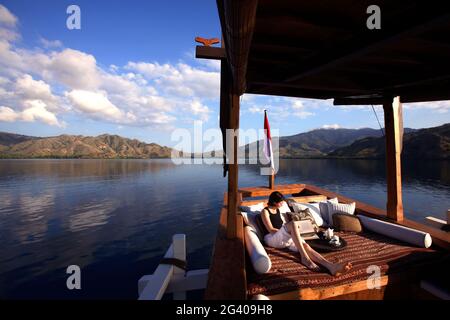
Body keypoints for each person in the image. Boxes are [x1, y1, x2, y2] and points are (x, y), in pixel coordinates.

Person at [261, 191, 352, 276]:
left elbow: (283, 226)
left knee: (306, 246)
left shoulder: (277, 210)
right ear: (274, 202)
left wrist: (292, 231)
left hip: (282, 237)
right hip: (272, 238)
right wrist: (288, 231)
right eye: (280, 202)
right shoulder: (265, 211)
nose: (282, 203)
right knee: (293, 223)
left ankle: (331, 266)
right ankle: (304, 258)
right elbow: (271, 229)